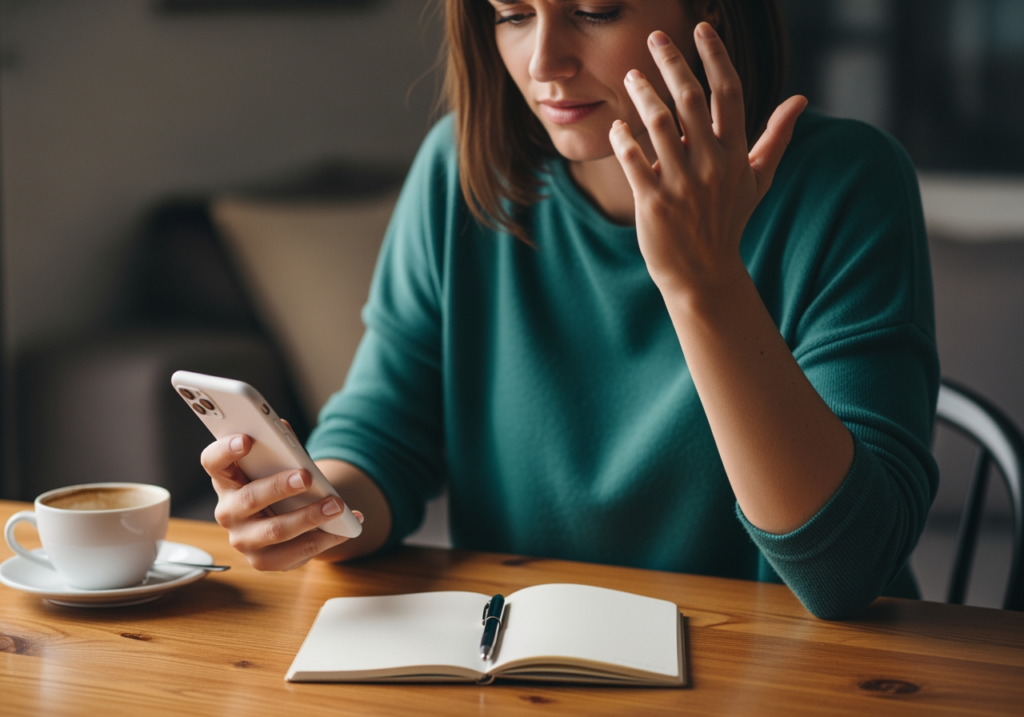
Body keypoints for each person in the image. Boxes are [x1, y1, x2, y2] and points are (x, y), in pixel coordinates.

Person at [201, 0, 938, 620]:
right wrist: (307, 509)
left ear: (707, 11)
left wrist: (704, 281)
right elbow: (382, 438)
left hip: (786, 674)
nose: (543, 61)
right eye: (513, 14)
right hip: (534, 670)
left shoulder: (848, 185)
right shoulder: (461, 172)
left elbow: (846, 569)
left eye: (592, 10)